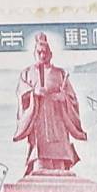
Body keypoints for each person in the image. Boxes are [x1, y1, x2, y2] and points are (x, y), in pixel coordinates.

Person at [14, 31, 86, 178]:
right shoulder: (27, 73)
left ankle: (61, 164)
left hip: (58, 119)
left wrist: (64, 98)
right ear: (35, 53)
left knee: (60, 157)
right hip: (39, 118)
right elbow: (22, 94)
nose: (42, 55)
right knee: (40, 156)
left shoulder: (60, 74)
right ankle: (39, 163)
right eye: (39, 52)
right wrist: (33, 94)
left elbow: (72, 98)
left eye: (45, 52)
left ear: (50, 54)